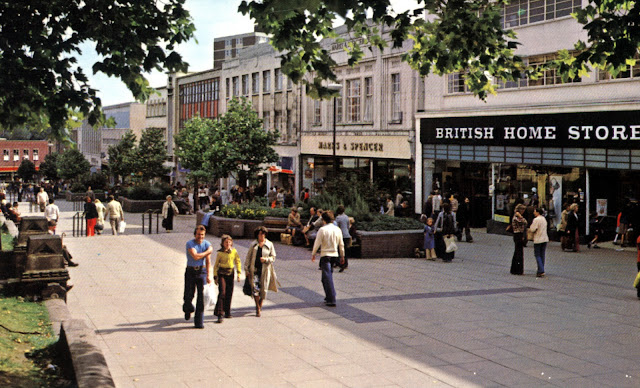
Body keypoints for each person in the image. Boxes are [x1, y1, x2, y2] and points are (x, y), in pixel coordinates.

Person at [311, 212, 345, 307]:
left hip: (325, 255)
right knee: (325, 277)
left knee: (327, 277)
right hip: (334, 255)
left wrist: (313, 253)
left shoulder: (322, 230)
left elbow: (317, 243)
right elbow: (341, 244)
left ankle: (331, 298)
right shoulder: (337, 229)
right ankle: (328, 296)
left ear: (323, 220)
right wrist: (342, 256)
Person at [244, 226, 278, 317]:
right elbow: (248, 257)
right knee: (255, 289)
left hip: (265, 270)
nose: (262, 235)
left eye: (263, 234)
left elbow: (273, 257)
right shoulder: (253, 244)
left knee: (263, 289)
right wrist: (246, 269)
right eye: (260, 234)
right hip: (254, 269)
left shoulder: (269, 244)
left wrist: (266, 259)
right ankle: (257, 307)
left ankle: (260, 304)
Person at [183, 225, 213, 329]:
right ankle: (188, 308)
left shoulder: (207, 244)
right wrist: (207, 252)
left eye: (202, 235)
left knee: (201, 297)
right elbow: (195, 256)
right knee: (188, 294)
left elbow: (208, 261)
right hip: (191, 271)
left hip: (202, 271)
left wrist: (209, 275)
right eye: (198, 234)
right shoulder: (190, 244)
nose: (200, 236)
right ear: (195, 234)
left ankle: (199, 322)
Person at [213, 235, 241, 323]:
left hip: (230, 272)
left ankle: (227, 311)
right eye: (226, 242)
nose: (228, 244)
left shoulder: (234, 251)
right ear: (222, 243)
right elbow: (216, 265)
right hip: (222, 273)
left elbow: (237, 261)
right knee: (222, 292)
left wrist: (239, 273)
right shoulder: (220, 253)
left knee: (229, 292)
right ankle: (220, 313)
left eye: (229, 242)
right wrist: (215, 276)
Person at [529, 207, 549, 277]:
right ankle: (541, 269)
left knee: (537, 255)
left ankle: (541, 270)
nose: (534, 212)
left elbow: (532, 229)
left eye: (534, 211)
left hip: (538, 239)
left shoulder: (536, 220)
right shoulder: (544, 219)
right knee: (542, 254)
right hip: (545, 238)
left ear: (538, 212)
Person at [510, 204, 527, 275]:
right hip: (518, 235)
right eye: (523, 210)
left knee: (517, 251)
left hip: (518, 235)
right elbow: (525, 222)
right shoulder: (517, 217)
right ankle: (518, 269)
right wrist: (520, 216)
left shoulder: (516, 216)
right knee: (519, 252)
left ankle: (514, 269)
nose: (523, 212)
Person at [334, 205, 351, 272]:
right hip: (347, 235)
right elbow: (348, 226)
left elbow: (336, 227)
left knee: (339, 249)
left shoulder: (338, 218)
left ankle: (339, 263)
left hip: (341, 235)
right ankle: (346, 263)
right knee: (345, 250)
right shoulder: (346, 217)